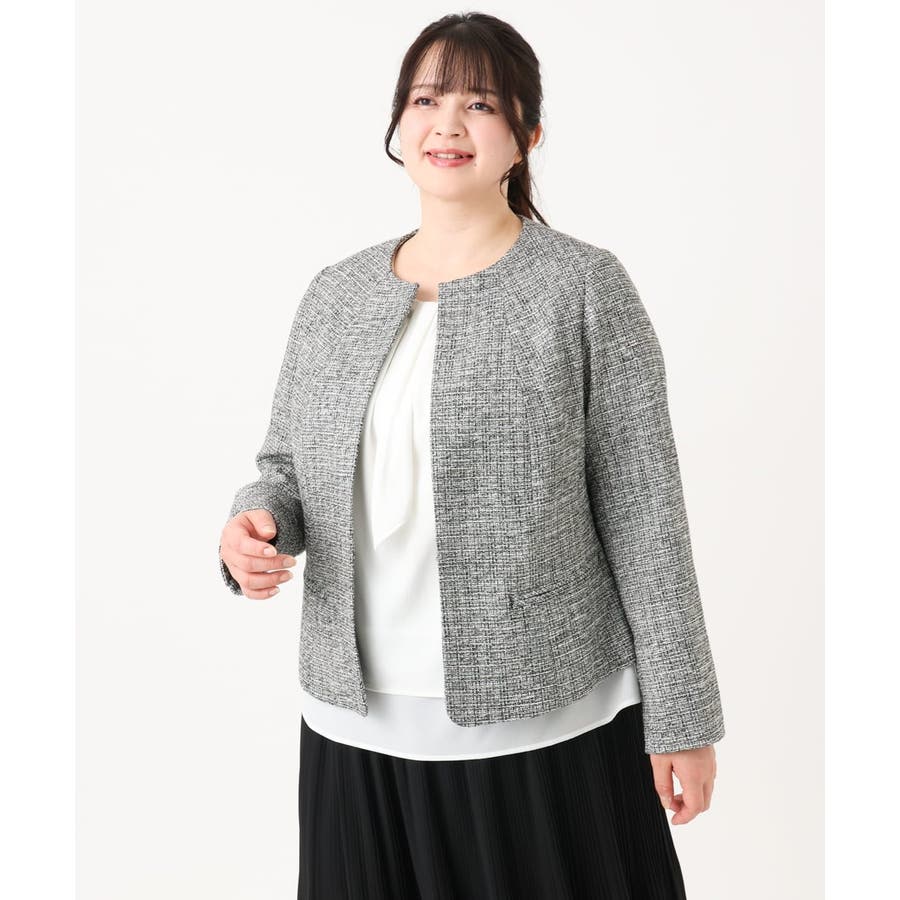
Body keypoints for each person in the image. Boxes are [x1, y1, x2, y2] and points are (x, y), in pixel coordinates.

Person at [218, 11, 725, 900]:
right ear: (397, 123)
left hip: (544, 724)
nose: (447, 124)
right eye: (426, 100)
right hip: (353, 727)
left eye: (480, 104)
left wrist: (683, 715)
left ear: (527, 136)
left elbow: (646, 512)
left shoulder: (581, 287)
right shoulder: (335, 294)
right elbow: (286, 469)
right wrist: (253, 525)